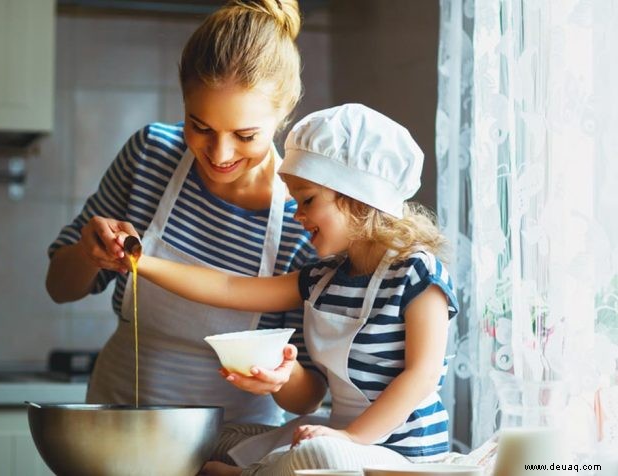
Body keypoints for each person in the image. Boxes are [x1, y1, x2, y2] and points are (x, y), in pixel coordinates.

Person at [45, 0, 321, 463]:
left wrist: (281, 378)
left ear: (284, 113)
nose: (219, 153)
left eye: (246, 135)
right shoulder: (151, 156)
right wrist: (87, 254)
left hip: (234, 451)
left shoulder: (304, 213)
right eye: (201, 126)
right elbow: (59, 287)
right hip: (117, 431)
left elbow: (307, 395)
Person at [125, 103, 460, 476]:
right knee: (221, 438)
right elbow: (229, 287)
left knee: (324, 460)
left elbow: (422, 374)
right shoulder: (322, 278)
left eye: (308, 200)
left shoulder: (417, 273)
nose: (297, 215)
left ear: (357, 198)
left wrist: (350, 439)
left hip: (402, 457)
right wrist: (138, 261)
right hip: (338, 435)